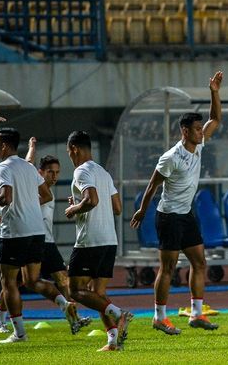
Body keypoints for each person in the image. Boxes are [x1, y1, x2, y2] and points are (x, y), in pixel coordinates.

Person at [130, 71, 224, 335]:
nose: (200, 132)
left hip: (186, 215)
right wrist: (142, 210)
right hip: (169, 216)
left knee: (200, 263)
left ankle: (196, 314)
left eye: (199, 128)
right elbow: (152, 185)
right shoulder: (171, 157)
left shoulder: (199, 145)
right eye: (196, 129)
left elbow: (215, 118)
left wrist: (214, 92)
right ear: (184, 131)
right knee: (168, 268)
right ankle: (159, 317)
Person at [0, 128, 80, 344]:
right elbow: (46, 194)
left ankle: (19, 333)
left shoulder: (2, 168)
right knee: (32, 280)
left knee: (8, 282)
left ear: (4, 146)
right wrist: (28, 206)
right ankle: (64, 303)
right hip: (36, 232)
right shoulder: (28, 167)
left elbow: (5, 198)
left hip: (15, 232)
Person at [65, 131, 132, 351]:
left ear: (74, 148)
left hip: (90, 240)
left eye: (69, 153)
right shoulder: (103, 172)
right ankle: (112, 341)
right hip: (109, 239)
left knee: (75, 290)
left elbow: (91, 200)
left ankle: (119, 314)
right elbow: (118, 208)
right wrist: (79, 203)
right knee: (99, 293)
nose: (70, 157)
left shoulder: (81, 171)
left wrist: (74, 208)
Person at [25, 138, 90, 330]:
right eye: (50, 172)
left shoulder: (48, 191)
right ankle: (1, 318)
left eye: (57, 173)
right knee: (14, 282)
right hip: (31, 241)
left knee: (63, 280)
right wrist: (32, 148)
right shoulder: (33, 188)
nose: (54, 176)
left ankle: (74, 319)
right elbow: (27, 165)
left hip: (48, 242)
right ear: (40, 173)